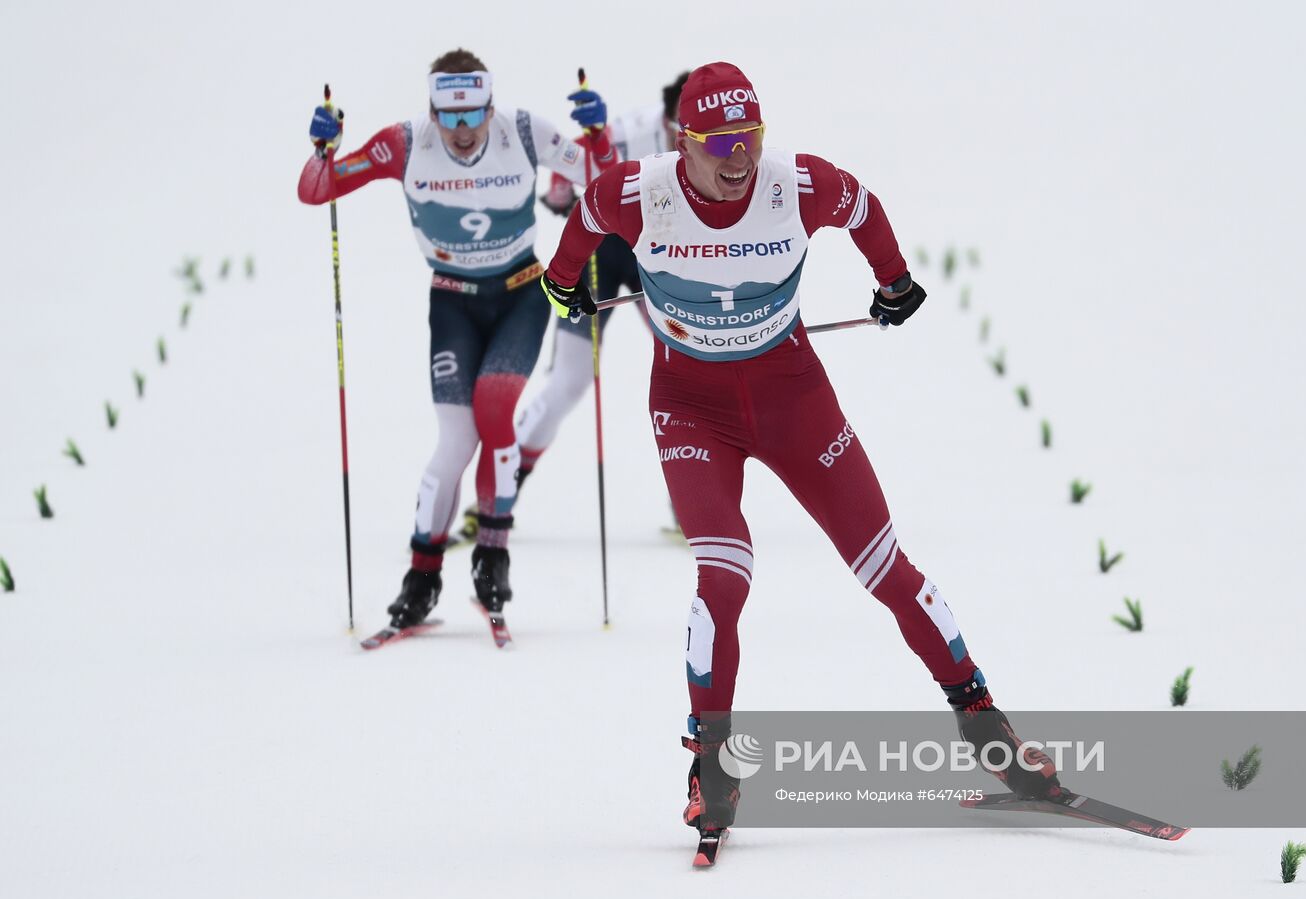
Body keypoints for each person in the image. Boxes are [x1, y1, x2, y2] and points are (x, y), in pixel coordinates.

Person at [539, 63, 1062, 839]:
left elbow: (865, 206)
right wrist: (562, 282)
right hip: (691, 410)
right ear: (684, 142)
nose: (739, 156)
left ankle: (989, 728)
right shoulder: (636, 191)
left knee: (886, 566)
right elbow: (583, 217)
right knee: (725, 569)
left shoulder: (797, 185)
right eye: (719, 142)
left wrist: (895, 281)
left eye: (749, 136)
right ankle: (710, 767)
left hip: (794, 401)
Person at [298, 49, 613, 633]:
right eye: (451, 116)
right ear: (433, 109)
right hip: (451, 301)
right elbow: (318, 191)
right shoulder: (405, 142)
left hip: (520, 293)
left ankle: (492, 554)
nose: (464, 131)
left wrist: (598, 135)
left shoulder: (520, 130)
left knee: (495, 409)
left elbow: (604, 177)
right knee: (455, 442)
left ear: (490, 106)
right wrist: (323, 152)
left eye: (475, 116)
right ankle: (422, 577)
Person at [457, 71, 691, 540]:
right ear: (665, 119)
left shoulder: (711, 146)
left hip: (659, 259)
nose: (686, 142)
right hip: (601, 254)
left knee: (688, 370)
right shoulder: (630, 130)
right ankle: (497, 496)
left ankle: (693, 501)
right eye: (679, 131)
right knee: (568, 382)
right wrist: (563, 195)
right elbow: (575, 161)